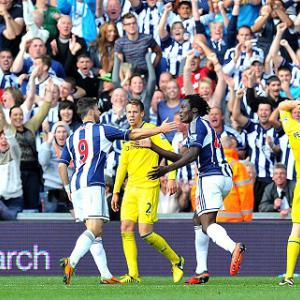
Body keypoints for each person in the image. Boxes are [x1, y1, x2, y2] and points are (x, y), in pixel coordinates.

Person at [58, 97, 176, 285]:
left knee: (95, 233)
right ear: (91, 110)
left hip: (76, 186)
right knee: (95, 228)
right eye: (97, 108)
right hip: (93, 184)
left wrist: (67, 189)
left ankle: (106, 275)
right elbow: (133, 135)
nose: (99, 112)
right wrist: (160, 130)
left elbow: (62, 166)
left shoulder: (73, 136)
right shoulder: (102, 129)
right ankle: (70, 262)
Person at [145, 94, 246, 284]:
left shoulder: (198, 125)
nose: (180, 111)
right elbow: (181, 156)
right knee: (198, 220)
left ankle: (234, 247)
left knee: (207, 225)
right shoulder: (197, 127)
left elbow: (191, 156)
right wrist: (153, 147)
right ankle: (201, 271)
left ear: (194, 111)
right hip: (222, 177)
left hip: (210, 178)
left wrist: (166, 169)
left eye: (184, 108)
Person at [111, 99, 184, 284]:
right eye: (128, 112)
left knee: (145, 232)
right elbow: (123, 165)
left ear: (142, 113)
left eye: (134, 112)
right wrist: (116, 191)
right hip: (131, 189)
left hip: (148, 187)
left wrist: (172, 177)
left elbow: (169, 153)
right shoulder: (128, 135)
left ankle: (177, 261)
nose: (131, 115)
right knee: (125, 228)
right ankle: (133, 274)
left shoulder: (152, 130)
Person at [278, 99, 300, 286]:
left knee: (297, 228)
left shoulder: (292, 128)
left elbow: (281, 107)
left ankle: (289, 276)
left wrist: (295, 103)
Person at [0, 104, 23, 220]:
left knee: (11, 225)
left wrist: (4, 124)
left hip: (15, 200)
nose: (4, 141)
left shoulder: (15, 154)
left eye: (6, 138)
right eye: (1, 138)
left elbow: (12, 141)